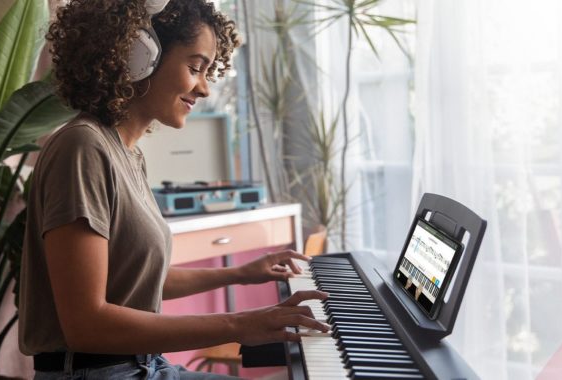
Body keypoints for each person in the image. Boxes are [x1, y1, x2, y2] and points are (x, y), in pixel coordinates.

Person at [17, 0, 329, 379]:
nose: (204, 89)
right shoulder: (81, 149)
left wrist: (239, 273)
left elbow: (139, 279)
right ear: (136, 55)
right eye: (195, 68)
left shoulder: (124, 154)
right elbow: (86, 323)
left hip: (139, 366)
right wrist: (238, 323)